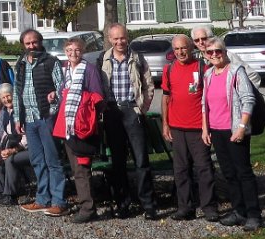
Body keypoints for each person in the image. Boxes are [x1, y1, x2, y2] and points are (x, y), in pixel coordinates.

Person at [201, 38, 263, 231]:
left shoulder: (236, 72)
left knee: (243, 172)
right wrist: (205, 128)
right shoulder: (209, 74)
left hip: (235, 129)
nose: (214, 55)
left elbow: (248, 99)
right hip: (216, 130)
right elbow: (205, 104)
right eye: (209, 52)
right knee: (229, 173)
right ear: (205, 55)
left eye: (217, 51)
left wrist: (242, 127)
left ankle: (254, 214)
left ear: (224, 52)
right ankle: (239, 211)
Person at [98, 23, 158, 220]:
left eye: (122, 38)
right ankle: (123, 204)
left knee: (141, 160)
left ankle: (148, 205)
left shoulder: (138, 58)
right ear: (109, 39)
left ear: (127, 37)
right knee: (118, 162)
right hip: (113, 113)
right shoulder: (103, 59)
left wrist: (143, 107)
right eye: (115, 38)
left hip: (133, 111)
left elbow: (149, 84)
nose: (119, 42)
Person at [160, 35, 220, 222]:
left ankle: (209, 207)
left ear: (191, 48)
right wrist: (165, 123)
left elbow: (210, 99)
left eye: (183, 48)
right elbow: (166, 98)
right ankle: (185, 207)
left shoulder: (203, 68)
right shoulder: (168, 69)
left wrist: (206, 127)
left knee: (204, 169)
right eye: (176, 49)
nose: (180, 52)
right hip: (177, 128)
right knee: (180, 170)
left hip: (197, 128)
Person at [14, 29, 68, 217]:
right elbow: (16, 92)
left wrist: (55, 99)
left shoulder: (50, 62)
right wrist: (17, 118)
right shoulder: (20, 64)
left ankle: (59, 201)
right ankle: (42, 199)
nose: (31, 46)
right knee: (37, 161)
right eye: (27, 43)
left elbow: (62, 87)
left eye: (34, 42)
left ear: (40, 42)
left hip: (46, 117)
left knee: (53, 160)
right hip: (28, 120)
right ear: (23, 45)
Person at [55, 38, 105, 223]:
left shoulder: (89, 70)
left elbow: (98, 97)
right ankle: (86, 204)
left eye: (76, 50)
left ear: (82, 51)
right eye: (69, 50)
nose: (73, 53)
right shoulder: (65, 70)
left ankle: (88, 208)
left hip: (82, 126)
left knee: (82, 168)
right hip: (68, 127)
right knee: (77, 168)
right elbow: (62, 93)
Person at [0, 83, 31, 206]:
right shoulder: (6, 112)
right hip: (12, 145)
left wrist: (13, 150)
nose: (6, 99)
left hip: (27, 148)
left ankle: (11, 195)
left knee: (10, 159)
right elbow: (5, 134)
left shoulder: (22, 112)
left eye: (8, 96)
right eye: (3, 98)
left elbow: (26, 138)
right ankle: (0, 192)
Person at [190, 26, 260, 87]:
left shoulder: (226, 55)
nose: (200, 42)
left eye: (204, 39)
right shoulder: (197, 59)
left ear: (210, 38)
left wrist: (244, 95)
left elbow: (252, 76)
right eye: (197, 40)